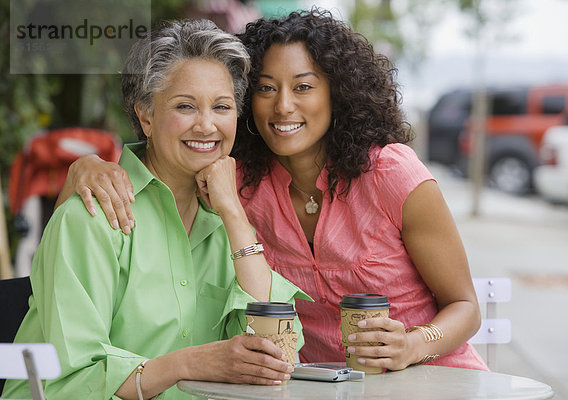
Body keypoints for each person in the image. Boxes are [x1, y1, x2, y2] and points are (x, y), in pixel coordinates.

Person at [57, 9, 488, 372]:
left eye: (303, 87)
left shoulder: (388, 173)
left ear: (336, 94)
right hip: (318, 388)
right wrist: (84, 168)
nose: (283, 105)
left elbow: (466, 306)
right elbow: (72, 231)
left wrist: (413, 345)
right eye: (266, 88)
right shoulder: (236, 181)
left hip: (433, 377)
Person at [2, 19, 310, 400]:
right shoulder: (94, 218)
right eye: (185, 106)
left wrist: (232, 212)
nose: (207, 125)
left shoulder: (228, 225)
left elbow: (279, 352)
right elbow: (71, 380)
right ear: (145, 116)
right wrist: (188, 364)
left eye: (222, 107)